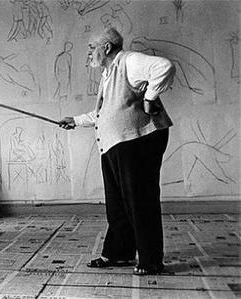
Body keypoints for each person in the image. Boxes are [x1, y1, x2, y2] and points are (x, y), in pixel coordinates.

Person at [59, 27, 176, 275]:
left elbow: (164, 67)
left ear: (107, 48)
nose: (89, 53)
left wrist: (150, 98)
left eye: (92, 48)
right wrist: (76, 121)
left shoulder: (130, 61)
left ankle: (151, 260)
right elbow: (107, 112)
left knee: (140, 201)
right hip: (117, 144)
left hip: (138, 142)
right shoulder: (108, 73)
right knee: (117, 205)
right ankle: (119, 254)